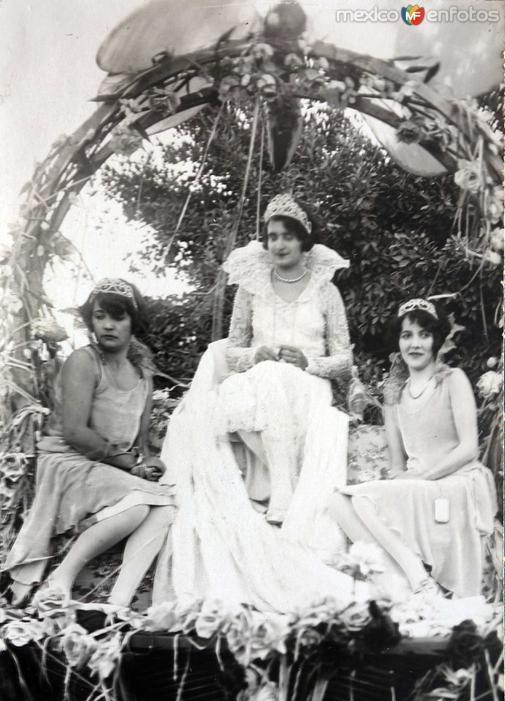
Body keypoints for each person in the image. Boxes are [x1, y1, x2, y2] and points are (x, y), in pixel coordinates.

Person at [153, 194, 361, 613]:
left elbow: (344, 360)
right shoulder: (251, 288)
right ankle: (278, 486)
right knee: (246, 385)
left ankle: (279, 489)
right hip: (263, 381)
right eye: (271, 237)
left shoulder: (326, 291)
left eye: (287, 237)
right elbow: (232, 352)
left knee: (268, 381)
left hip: (308, 385)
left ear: (304, 241)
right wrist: (258, 354)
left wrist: (309, 361)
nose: (279, 245)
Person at [5, 278, 175, 608]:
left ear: (133, 322)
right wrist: (131, 466)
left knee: (166, 507)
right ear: (91, 321)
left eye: (119, 316)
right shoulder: (84, 361)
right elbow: (75, 432)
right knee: (140, 501)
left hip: (106, 467)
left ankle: (118, 603)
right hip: (68, 461)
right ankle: (60, 579)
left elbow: (138, 441)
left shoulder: (143, 374)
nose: (108, 325)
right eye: (100, 316)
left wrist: (148, 461)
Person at [326, 298, 497, 599]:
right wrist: (399, 479)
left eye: (424, 334)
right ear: (398, 342)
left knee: (364, 500)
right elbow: (397, 465)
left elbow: (469, 448)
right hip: (421, 487)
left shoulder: (452, 380)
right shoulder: (396, 395)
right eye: (407, 335)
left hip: (458, 483)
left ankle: (419, 581)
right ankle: (402, 585)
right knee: (339, 502)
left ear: (437, 341)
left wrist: (420, 478)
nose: (414, 344)